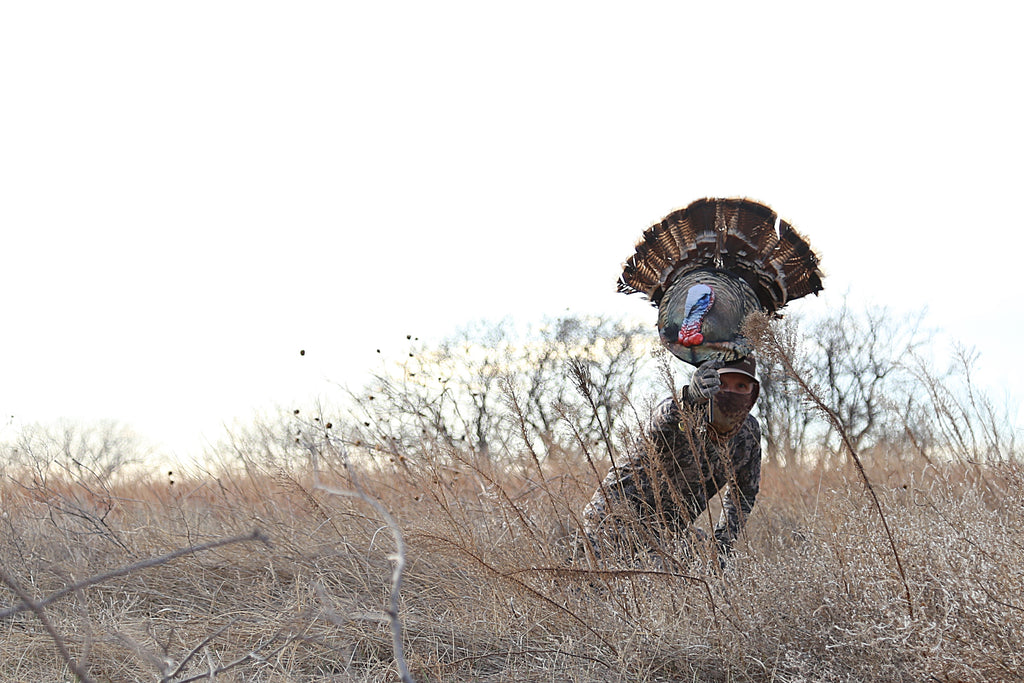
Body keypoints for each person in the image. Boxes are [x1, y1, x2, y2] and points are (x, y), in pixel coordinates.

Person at [581, 356, 762, 566]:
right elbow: (660, 421)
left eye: (741, 386)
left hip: (668, 532)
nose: (730, 393)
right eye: (721, 383)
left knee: (720, 568)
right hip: (614, 520)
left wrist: (723, 542)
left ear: (753, 393)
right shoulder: (679, 412)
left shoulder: (749, 433)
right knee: (655, 578)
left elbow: (744, 493)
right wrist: (690, 400)